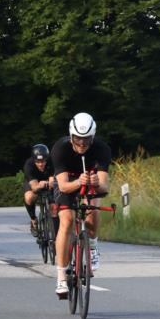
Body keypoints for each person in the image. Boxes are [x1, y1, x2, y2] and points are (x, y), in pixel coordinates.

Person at [50, 113, 111, 299]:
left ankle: (92, 244)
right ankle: (61, 275)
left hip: (89, 184)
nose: (82, 143)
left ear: (93, 137)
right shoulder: (60, 149)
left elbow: (104, 186)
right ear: (71, 135)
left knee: (92, 210)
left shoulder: (101, 148)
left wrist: (94, 182)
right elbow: (63, 186)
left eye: (86, 139)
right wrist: (79, 182)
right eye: (77, 138)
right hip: (68, 185)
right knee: (67, 221)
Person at [22, 143, 55, 232]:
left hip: (48, 181)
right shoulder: (29, 165)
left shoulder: (52, 162)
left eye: (43, 161)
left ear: (47, 159)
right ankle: (33, 219)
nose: (41, 164)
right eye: (38, 162)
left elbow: (53, 180)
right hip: (34, 182)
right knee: (29, 197)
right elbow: (34, 187)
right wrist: (39, 185)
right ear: (33, 160)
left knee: (54, 206)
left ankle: (56, 230)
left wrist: (50, 183)